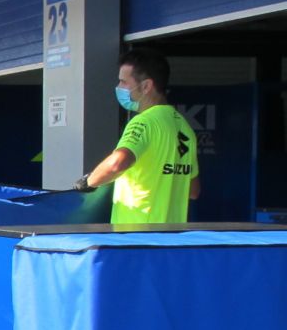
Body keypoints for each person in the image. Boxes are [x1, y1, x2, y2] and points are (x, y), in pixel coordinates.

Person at [74, 48, 201, 223]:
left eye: (123, 82)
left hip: (135, 237)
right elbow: (193, 190)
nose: (119, 88)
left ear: (146, 86)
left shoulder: (143, 122)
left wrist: (89, 182)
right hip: (170, 240)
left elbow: (117, 163)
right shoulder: (185, 128)